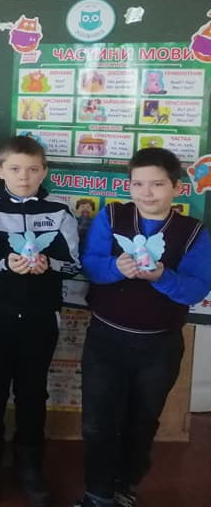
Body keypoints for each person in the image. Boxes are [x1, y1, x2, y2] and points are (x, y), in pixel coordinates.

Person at [74, 148, 211, 507]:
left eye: (157, 184)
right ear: (129, 185)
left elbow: (197, 288)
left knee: (142, 421)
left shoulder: (193, 232)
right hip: (106, 339)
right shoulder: (112, 216)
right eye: (138, 184)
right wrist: (115, 268)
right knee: (97, 422)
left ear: (177, 188)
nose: (146, 192)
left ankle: (125, 487)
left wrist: (162, 277)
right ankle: (97, 494)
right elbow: (90, 264)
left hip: (159, 346)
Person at [0, 135, 81, 506]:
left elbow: (73, 265)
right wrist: (4, 264)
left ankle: (30, 463)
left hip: (41, 314)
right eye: (15, 169)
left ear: (44, 171)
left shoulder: (60, 211)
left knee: (33, 390)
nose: (24, 176)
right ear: (0, 170)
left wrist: (48, 264)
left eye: (32, 169)